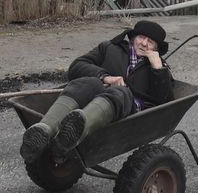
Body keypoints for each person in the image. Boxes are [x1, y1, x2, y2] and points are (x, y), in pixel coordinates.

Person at [20, 20, 175, 163]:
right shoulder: (109, 48)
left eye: (151, 42)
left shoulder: (159, 67)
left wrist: (158, 69)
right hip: (93, 98)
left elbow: (165, 101)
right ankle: (44, 129)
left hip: (126, 108)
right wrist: (105, 77)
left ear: (156, 48)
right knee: (88, 83)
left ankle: (76, 129)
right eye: (142, 37)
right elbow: (76, 67)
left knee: (120, 92)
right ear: (133, 37)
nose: (144, 43)